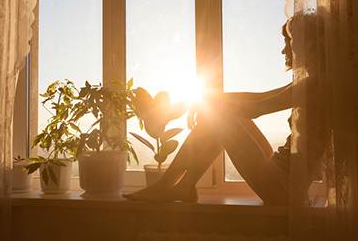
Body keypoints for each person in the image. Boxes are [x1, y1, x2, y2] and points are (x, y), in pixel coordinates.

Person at [124, 19, 296, 206]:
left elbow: (258, 108)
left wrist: (209, 104)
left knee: (218, 117)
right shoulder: (305, 82)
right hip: (279, 171)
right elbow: (260, 97)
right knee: (218, 114)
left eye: (288, 43)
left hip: (282, 186)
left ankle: (168, 185)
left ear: (305, 45)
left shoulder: (313, 85)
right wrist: (208, 100)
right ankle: (182, 186)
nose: (283, 50)